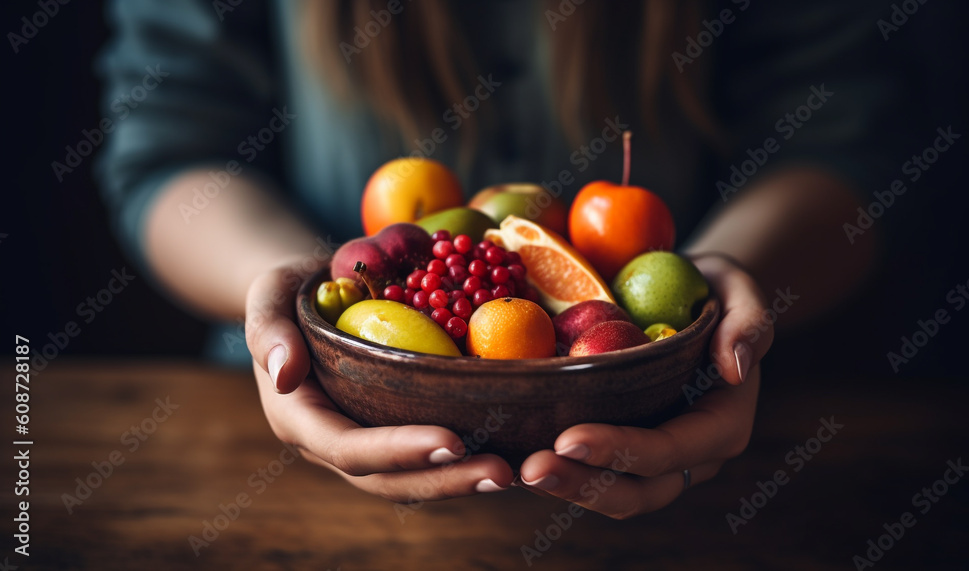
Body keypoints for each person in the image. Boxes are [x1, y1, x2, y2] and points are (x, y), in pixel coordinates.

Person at [96, 0, 898, 519]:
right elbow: (171, 143)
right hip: (280, 475)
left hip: (714, 482)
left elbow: (845, 141)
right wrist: (284, 287)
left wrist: (723, 297)